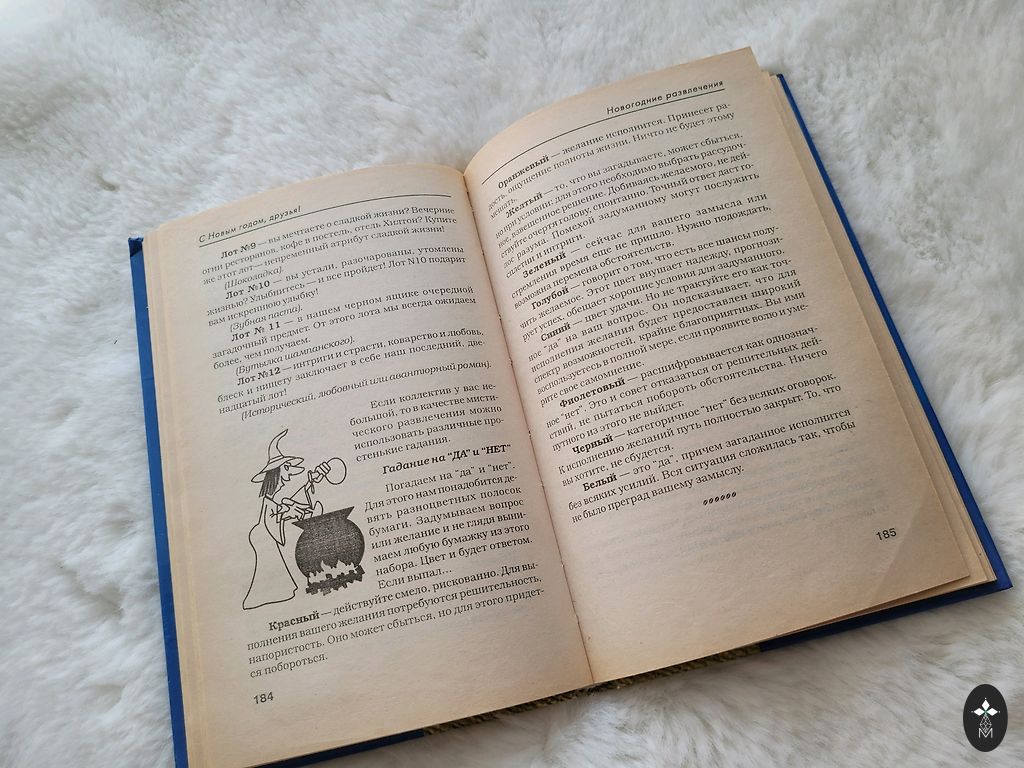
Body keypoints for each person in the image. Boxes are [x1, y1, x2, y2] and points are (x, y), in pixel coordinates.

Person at [242, 430, 324, 609]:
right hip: (264, 539)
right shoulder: (269, 501)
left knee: (273, 568)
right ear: (276, 472)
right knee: (267, 568)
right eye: (286, 467)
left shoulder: (274, 499)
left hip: (267, 538)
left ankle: (273, 593)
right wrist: (289, 511)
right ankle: (267, 595)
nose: (289, 473)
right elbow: (275, 517)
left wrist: (311, 482)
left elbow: (289, 503)